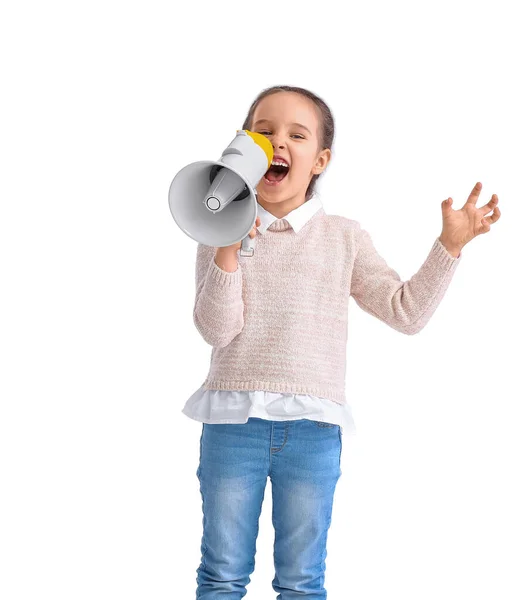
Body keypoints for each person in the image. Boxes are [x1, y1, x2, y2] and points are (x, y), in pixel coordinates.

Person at [182, 85, 501, 599]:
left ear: (319, 160)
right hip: (231, 426)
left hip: (312, 431)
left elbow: (406, 312)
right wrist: (226, 246)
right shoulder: (217, 228)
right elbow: (216, 330)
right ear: (243, 149)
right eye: (262, 133)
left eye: (295, 135)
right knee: (221, 574)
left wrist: (449, 247)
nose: (276, 143)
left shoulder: (343, 237)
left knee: (303, 580)